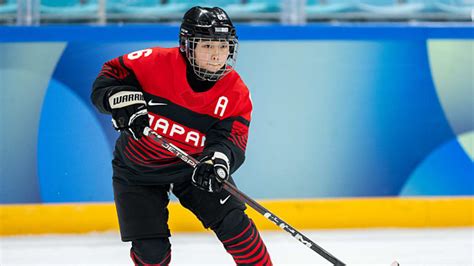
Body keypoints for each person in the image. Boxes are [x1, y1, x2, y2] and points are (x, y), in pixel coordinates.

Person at [91, 6, 273, 266]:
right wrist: (119, 100)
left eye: (223, 47)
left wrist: (217, 162)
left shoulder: (235, 92)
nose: (216, 56)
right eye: (208, 45)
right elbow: (109, 77)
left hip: (194, 167)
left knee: (237, 227)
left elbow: (231, 141)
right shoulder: (154, 63)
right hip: (137, 170)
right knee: (152, 253)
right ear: (187, 45)